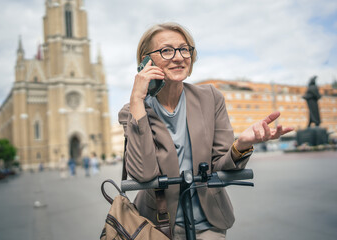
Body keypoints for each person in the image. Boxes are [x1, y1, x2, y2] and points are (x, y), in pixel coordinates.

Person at [118, 22, 294, 239]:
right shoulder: (132, 111)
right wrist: (137, 98)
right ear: (146, 61)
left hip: (209, 222)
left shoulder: (210, 97)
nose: (179, 57)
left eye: (184, 49)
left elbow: (221, 166)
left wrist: (241, 145)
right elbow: (143, 174)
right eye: (166, 50)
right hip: (157, 226)